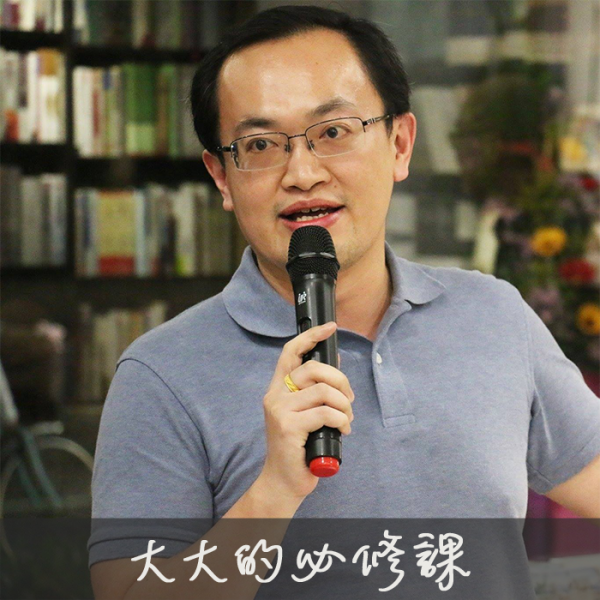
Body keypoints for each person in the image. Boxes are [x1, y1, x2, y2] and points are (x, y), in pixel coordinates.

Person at [89, 5, 600, 599]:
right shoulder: (161, 374)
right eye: (260, 144)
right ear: (222, 177)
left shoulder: (493, 315)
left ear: (400, 144)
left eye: (333, 132)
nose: (302, 173)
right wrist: (274, 490)